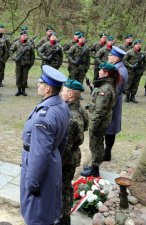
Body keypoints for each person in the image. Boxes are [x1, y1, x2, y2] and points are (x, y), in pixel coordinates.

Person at [20, 65, 69, 225]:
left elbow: (39, 153)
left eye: (40, 83)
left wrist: (33, 182)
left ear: (47, 89)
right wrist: (55, 159)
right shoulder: (62, 106)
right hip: (52, 160)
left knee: (36, 215)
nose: (37, 85)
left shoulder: (44, 116)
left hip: (39, 167)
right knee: (48, 210)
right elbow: (63, 140)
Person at [57, 79, 88, 225]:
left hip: (66, 159)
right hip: (74, 155)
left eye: (63, 90)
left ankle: (63, 218)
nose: (60, 92)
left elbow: (65, 148)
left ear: (70, 94)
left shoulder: (69, 117)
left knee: (63, 188)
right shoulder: (81, 110)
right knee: (67, 186)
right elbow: (85, 127)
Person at [80, 63, 120, 177]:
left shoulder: (105, 89)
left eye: (101, 71)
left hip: (98, 122)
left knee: (96, 144)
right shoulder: (106, 85)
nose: (98, 72)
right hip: (99, 120)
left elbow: (100, 110)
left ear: (106, 73)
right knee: (96, 143)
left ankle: (95, 170)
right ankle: (94, 165)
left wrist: (93, 124)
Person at [104, 46, 128, 161]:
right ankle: (106, 152)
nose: (108, 56)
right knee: (109, 128)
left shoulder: (120, 72)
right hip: (113, 102)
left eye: (110, 55)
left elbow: (116, 90)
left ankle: (107, 153)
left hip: (113, 104)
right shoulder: (117, 68)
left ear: (116, 58)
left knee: (110, 129)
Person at [9, 30, 35, 96]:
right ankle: (18, 90)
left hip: (26, 64)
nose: (23, 36)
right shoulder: (16, 43)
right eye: (22, 35)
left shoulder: (30, 45)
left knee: (25, 77)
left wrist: (31, 64)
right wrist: (14, 58)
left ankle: (23, 90)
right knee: (18, 76)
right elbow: (11, 51)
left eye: (25, 35)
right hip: (18, 63)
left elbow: (32, 55)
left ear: (27, 36)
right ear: (20, 36)